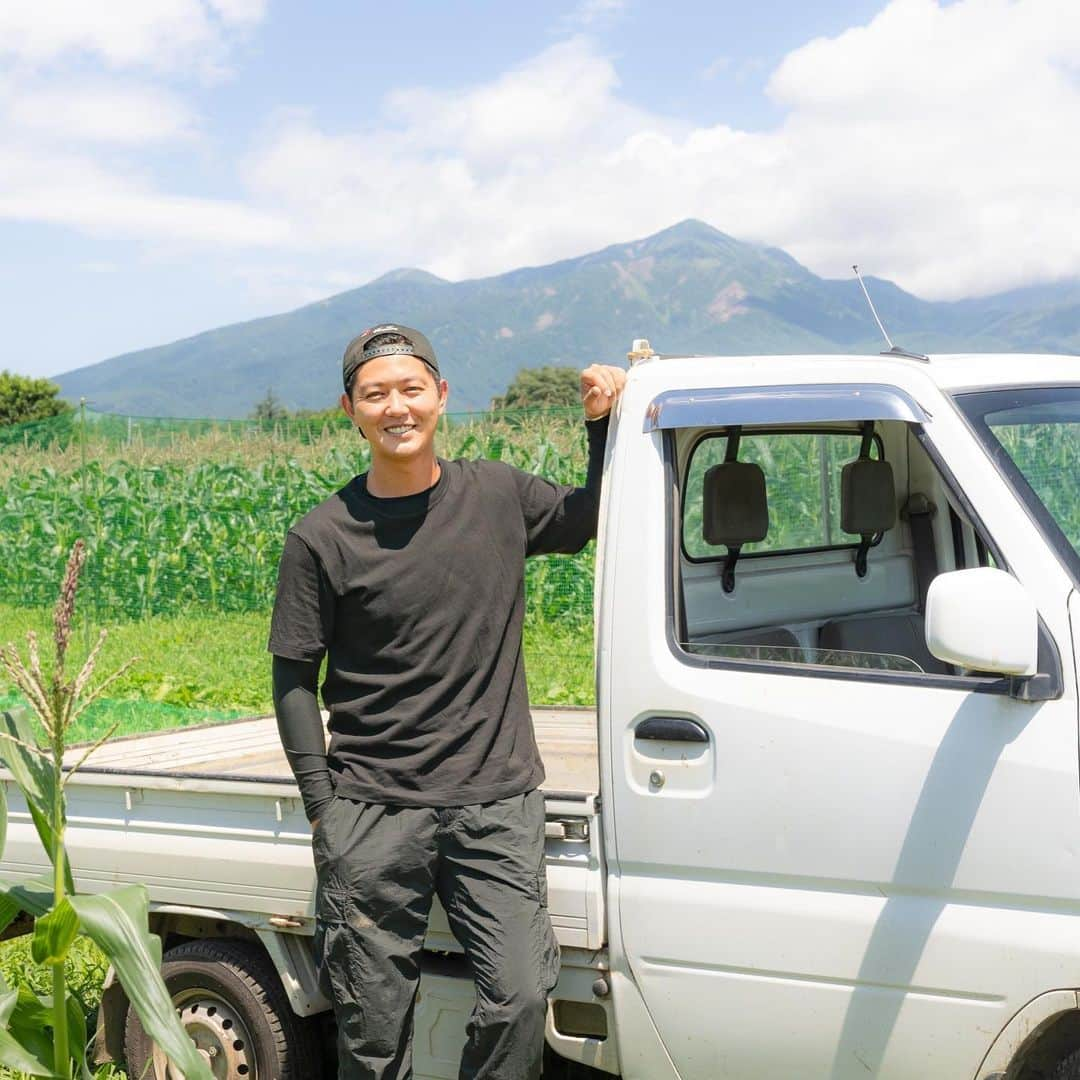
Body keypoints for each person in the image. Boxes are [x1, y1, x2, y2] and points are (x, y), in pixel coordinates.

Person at [268, 322, 625, 1080]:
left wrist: (604, 426)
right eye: (376, 394)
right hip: (372, 810)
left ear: (440, 397)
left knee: (522, 996)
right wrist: (324, 811)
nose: (396, 407)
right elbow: (294, 677)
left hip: (494, 802)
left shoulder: (496, 494)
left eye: (410, 389)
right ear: (351, 410)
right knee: (371, 1030)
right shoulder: (321, 536)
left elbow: (584, 518)